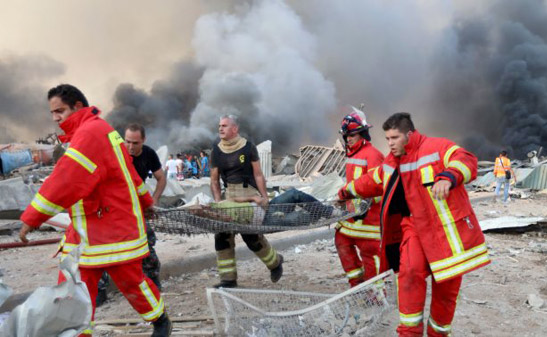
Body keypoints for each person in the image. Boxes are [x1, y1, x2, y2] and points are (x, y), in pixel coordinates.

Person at [18, 84, 171, 337]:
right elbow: (129, 175)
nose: (55, 118)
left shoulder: (89, 134)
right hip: (91, 228)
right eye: (52, 113)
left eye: (60, 111)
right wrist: (145, 201)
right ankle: (80, 333)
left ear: (78, 106)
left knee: (130, 281)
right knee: (74, 290)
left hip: (108, 228)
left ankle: (160, 321)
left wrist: (31, 218)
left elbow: (66, 180)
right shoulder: (99, 130)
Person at [338, 112, 490, 336]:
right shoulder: (392, 161)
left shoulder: (437, 147)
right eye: (387, 138)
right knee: (408, 275)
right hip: (414, 228)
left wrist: (449, 176)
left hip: (446, 234)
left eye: (395, 138)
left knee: (446, 292)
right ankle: (409, 333)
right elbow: (372, 180)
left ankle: (438, 333)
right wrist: (344, 191)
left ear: (409, 134)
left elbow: (466, 159)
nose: (389, 144)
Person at [95, 123, 167, 307]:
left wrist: (154, 200)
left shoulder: (149, 154)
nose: (130, 147)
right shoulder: (114, 153)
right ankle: (100, 289)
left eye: (135, 143)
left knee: (147, 243)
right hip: (114, 207)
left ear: (143, 140)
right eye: (127, 141)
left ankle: (153, 280)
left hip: (137, 207)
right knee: (104, 248)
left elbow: (161, 177)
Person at [210, 114, 283, 288]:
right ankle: (228, 279)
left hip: (248, 193)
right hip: (230, 197)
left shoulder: (248, 147)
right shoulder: (217, 150)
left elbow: (258, 174)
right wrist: (219, 202)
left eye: (225, 126)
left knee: (251, 237)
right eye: (219, 126)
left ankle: (275, 263)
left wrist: (264, 197)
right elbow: (214, 180)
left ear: (235, 129)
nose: (220, 128)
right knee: (222, 235)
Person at [336, 107, 384, 287]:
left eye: (352, 135)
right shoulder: (353, 154)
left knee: (370, 253)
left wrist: (350, 195)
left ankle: (376, 293)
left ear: (363, 134)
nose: (348, 139)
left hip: (369, 219)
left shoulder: (373, 156)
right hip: (352, 215)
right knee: (341, 240)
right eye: (346, 136)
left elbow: (377, 186)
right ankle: (356, 284)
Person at [190, 188, 337, 227]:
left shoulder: (220, 203)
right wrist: (205, 214)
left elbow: (234, 198)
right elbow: (228, 219)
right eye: (203, 205)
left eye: (204, 203)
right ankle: (320, 216)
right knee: (303, 218)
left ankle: (329, 212)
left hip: (268, 208)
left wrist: (254, 198)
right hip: (267, 221)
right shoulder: (218, 219)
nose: (205, 204)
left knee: (294, 193)